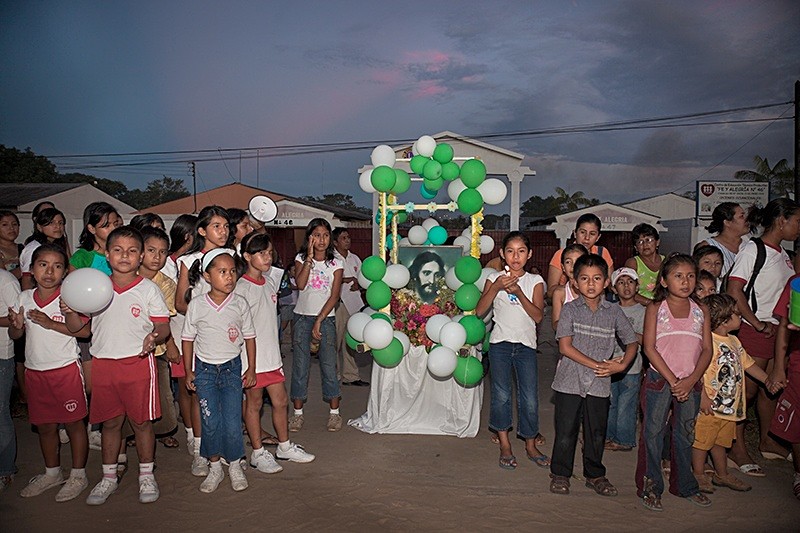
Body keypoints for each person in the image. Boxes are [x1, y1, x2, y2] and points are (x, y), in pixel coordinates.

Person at [84, 226, 170, 505]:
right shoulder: (96, 287)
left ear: (141, 255)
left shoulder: (148, 289)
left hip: (137, 364)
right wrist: (70, 311)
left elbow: (163, 325)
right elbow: (81, 329)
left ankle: (146, 474)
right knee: (110, 424)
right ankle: (108, 477)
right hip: (104, 364)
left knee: (142, 422)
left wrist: (154, 336)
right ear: (107, 254)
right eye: (118, 250)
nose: (125, 256)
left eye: (132, 251)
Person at [550, 254, 638, 497]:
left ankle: (595, 474)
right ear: (575, 283)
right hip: (569, 380)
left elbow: (632, 342)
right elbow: (564, 347)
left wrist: (621, 366)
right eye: (584, 279)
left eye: (597, 278)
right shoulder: (569, 310)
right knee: (566, 430)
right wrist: (596, 364)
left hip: (600, 384)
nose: (591, 284)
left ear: (607, 282)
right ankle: (560, 473)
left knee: (596, 432)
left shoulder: (614, 312)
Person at [8, 244, 90, 501]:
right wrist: (17, 326)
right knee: (45, 426)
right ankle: (52, 473)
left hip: (65, 369)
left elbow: (84, 332)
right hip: (35, 372)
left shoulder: (70, 297)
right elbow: (15, 335)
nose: (49, 271)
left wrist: (53, 322)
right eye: (43, 265)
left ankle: (78, 475)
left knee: (74, 424)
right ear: (32, 269)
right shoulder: (24, 298)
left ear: (65, 272)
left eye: (57, 266)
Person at [726, 198, 800, 472]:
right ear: (782, 221)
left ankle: (768, 442)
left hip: (776, 331)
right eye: (797, 221)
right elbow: (734, 289)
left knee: (770, 392)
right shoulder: (752, 250)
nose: (799, 228)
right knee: (746, 393)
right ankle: (736, 448)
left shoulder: (782, 253)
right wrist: (756, 323)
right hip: (756, 330)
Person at [637, 253, 713, 511]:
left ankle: (685, 486)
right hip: (661, 380)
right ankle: (651, 486)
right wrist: (673, 381)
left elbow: (706, 350)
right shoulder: (656, 309)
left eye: (690, 276)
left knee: (685, 436)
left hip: (690, 383)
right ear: (665, 281)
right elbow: (649, 348)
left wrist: (690, 381)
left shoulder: (701, 310)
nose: (686, 281)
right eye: (678, 276)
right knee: (653, 434)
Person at [236, 233, 315, 474]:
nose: (267, 257)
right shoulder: (241, 287)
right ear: (247, 256)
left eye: (269, 252)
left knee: (280, 401)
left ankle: (284, 447)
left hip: (272, 356)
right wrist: (247, 364)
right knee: (254, 403)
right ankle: (258, 453)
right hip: (251, 358)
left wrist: (309, 258)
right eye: (261, 253)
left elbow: (298, 282)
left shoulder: (270, 281)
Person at [182, 249, 255, 493]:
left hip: (232, 369)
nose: (229, 277)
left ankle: (234, 464)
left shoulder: (240, 303)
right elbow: (187, 339)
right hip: (205, 371)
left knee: (233, 421)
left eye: (232, 271)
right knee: (210, 421)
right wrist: (188, 371)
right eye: (222, 272)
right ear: (207, 275)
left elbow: (250, 337)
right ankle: (214, 467)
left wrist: (251, 368)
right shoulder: (197, 305)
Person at [691, 294, 779, 494]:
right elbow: (697, 371)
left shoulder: (734, 341)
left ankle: (722, 474)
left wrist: (767, 380)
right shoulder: (707, 342)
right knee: (702, 441)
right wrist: (703, 396)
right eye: (738, 315)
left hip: (729, 406)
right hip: (711, 405)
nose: (741, 318)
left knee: (721, 442)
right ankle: (698, 473)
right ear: (724, 320)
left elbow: (749, 365)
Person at [475, 231, 548, 470]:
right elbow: (479, 311)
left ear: (529, 254)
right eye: (510, 251)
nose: (515, 257)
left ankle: (529, 443)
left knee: (529, 398)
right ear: (502, 254)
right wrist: (495, 287)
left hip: (526, 346)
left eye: (521, 251)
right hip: (500, 345)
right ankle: (505, 444)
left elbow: (538, 316)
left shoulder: (535, 282)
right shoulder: (494, 278)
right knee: (501, 395)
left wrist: (518, 293)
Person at [175, 206, 233, 476]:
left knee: (230, 398)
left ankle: (227, 450)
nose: (223, 232)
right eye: (216, 226)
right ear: (201, 230)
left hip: (230, 340)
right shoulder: (189, 261)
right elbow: (179, 303)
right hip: (200, 338)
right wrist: (206, 311)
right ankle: (202, 450)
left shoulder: (233, 257)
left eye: (225, 226)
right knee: (201, 397)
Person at [289, 218, 343, 433]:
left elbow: (334, 295)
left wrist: (320, 319)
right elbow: (300, 285)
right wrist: (310, 259)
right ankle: (297, 415)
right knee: (300, 367)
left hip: (326, 319)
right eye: (317, 235)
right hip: (302, 318)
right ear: (309, 237)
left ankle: (334, 414)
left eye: (325, 235)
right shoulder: (301, 258)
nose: (321, 239)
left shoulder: (336, 263)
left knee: (329, 366)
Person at [136, 227, 180, 450]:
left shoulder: (166, 284)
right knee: (136, 397)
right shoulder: (127, 277)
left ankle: (161, 432)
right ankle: (135, 434)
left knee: (162, 394)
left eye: (163, 252)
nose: (157, 257)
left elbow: (166, 320)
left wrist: (170, 345)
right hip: (128, 350)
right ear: (140, 252)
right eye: (151, 250)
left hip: (158, 350)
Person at [605, 267, 645, 452]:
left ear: (637, 286)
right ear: (613, 289)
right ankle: (608, 436)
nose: (626, 286)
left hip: (632, 367)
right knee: (610, 403)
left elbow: (647, 340)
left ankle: (625, 439)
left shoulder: (644, 312)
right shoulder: (609, 310)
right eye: (620, 282)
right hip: (609, 364)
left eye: (630, 282)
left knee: (627, 405)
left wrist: (628, 333)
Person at [770, 273, 800, 501]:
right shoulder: (796, 283)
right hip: (798, 366)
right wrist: (779, 366)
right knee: (796, 424)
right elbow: (784, 325)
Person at [546, 213, 614, 299]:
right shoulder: (561, 254)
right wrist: (570, 289)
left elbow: (611, 285)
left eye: (592, 234)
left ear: (598, 237)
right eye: (582, 232)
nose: (587, 238)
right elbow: (550, 292)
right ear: (575, 233)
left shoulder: (602, 253)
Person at [333, 227, 368, 387]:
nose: (347, 240)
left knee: (350, 340)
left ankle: (351, 376)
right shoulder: (332, 258)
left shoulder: (354, 258)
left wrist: (358, 285)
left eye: (348, 237)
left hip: (354, 303)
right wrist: (342, 280)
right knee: (334, 341)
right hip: (338, 303)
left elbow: (363, 277)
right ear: (335, 242)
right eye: (343, 238)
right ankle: (333, 376)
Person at [0, 266, 20, 492]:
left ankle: (5, 468)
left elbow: (18, 319)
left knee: (0, 412)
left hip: (1, 354)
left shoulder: (5, 280)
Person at [696, 202, 750, 278]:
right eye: (741, 216)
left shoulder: (749, 246)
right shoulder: (708, 246)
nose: (746, 219)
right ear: (727, 222)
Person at [20, 207, 69, 290]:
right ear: (39, 227)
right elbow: (27, 279)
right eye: (51, 223)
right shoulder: (33, 248)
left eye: (61, 223)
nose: (57, 226)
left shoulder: (57, 246)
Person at [69, 202, 123, 275]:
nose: (114, 228)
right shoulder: (82, 257)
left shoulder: (123, 253)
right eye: (107, 225)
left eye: (116, 224)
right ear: (91, 228)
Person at [550, 244, 588, 331]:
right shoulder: (560, 293)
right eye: (568, 262)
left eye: (578, 261)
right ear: (563, 267)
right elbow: (555, 325)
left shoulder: (593, 290)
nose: (573, 266)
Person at [624, 223, 663, 304]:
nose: (645, 245)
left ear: (657, 242)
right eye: (640, 242)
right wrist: (651, 304)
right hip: (640, 308)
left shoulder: (666, 261)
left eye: (648, 240)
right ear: (636, 247)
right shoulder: (633, 263)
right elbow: (628, 291)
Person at [0, 211, 22, 280]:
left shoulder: (23, 248)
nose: (11, 228)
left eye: (14, 224)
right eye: (5, 225)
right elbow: (3, 279)